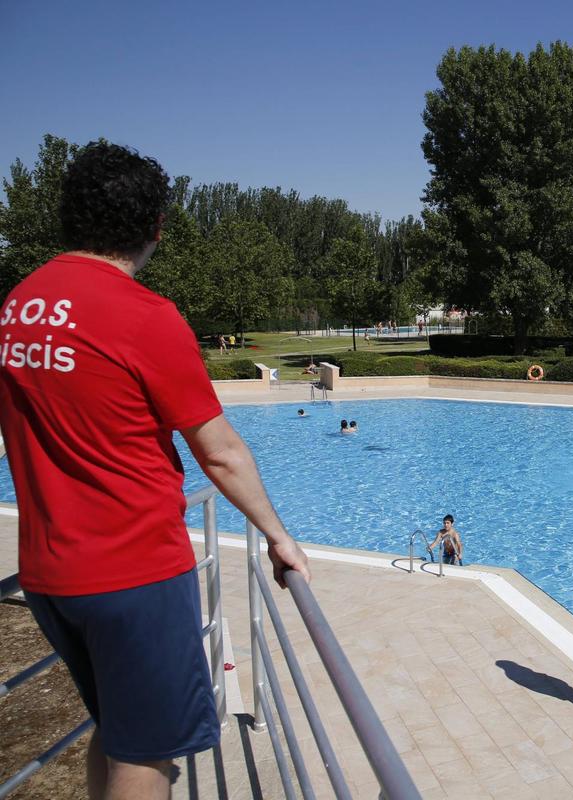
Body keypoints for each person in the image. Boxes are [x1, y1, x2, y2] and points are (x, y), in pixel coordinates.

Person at [0, 141, 310, 800]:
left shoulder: (18, 305)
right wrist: (278, 534)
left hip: (51, 574)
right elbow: (220, 452)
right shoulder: (143, 315)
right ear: (156, 227)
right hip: (131, 574)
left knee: (116, 732)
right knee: (151, 761)